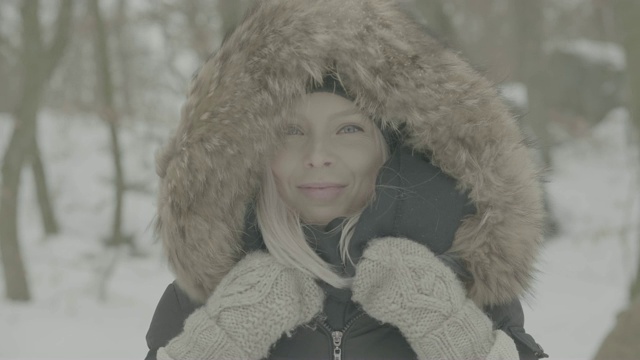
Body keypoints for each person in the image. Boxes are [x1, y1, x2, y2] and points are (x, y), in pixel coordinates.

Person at [147, 0, 548, 359]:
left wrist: (455, 336)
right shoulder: (204, 296)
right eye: (291, 131)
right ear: (257, 154)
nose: (318, 156)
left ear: (392, 150)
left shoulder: (469, 285)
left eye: (349, 130)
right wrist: (218, 342)